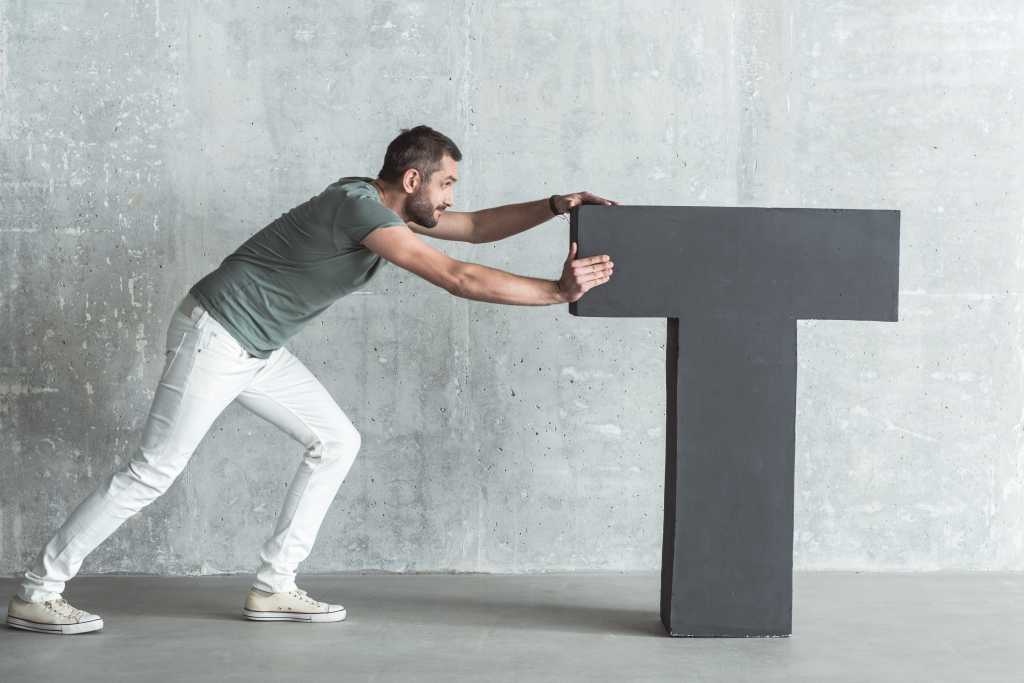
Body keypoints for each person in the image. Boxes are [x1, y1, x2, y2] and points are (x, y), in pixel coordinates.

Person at [5, 125, 617, 635]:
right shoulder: (359, 208)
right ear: (412, 181)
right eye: (447, 183)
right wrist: (558, 293)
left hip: (257, 347)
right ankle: (37, 590)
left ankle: (274, 587)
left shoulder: (387, 213)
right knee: (153, 470)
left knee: (336, 441)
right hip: (216, 333)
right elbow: (459, 277)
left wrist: (556, 206)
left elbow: (478, 227)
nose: (453, 197)